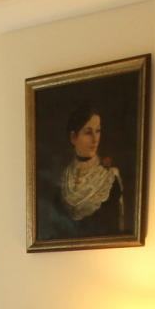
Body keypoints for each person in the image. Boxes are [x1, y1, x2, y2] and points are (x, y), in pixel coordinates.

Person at [44, 101, 125, 239]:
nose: (95, 139)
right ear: (73, 137)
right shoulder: (62, 181)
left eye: (98, 131)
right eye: (88, 132)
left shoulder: (109, 179)